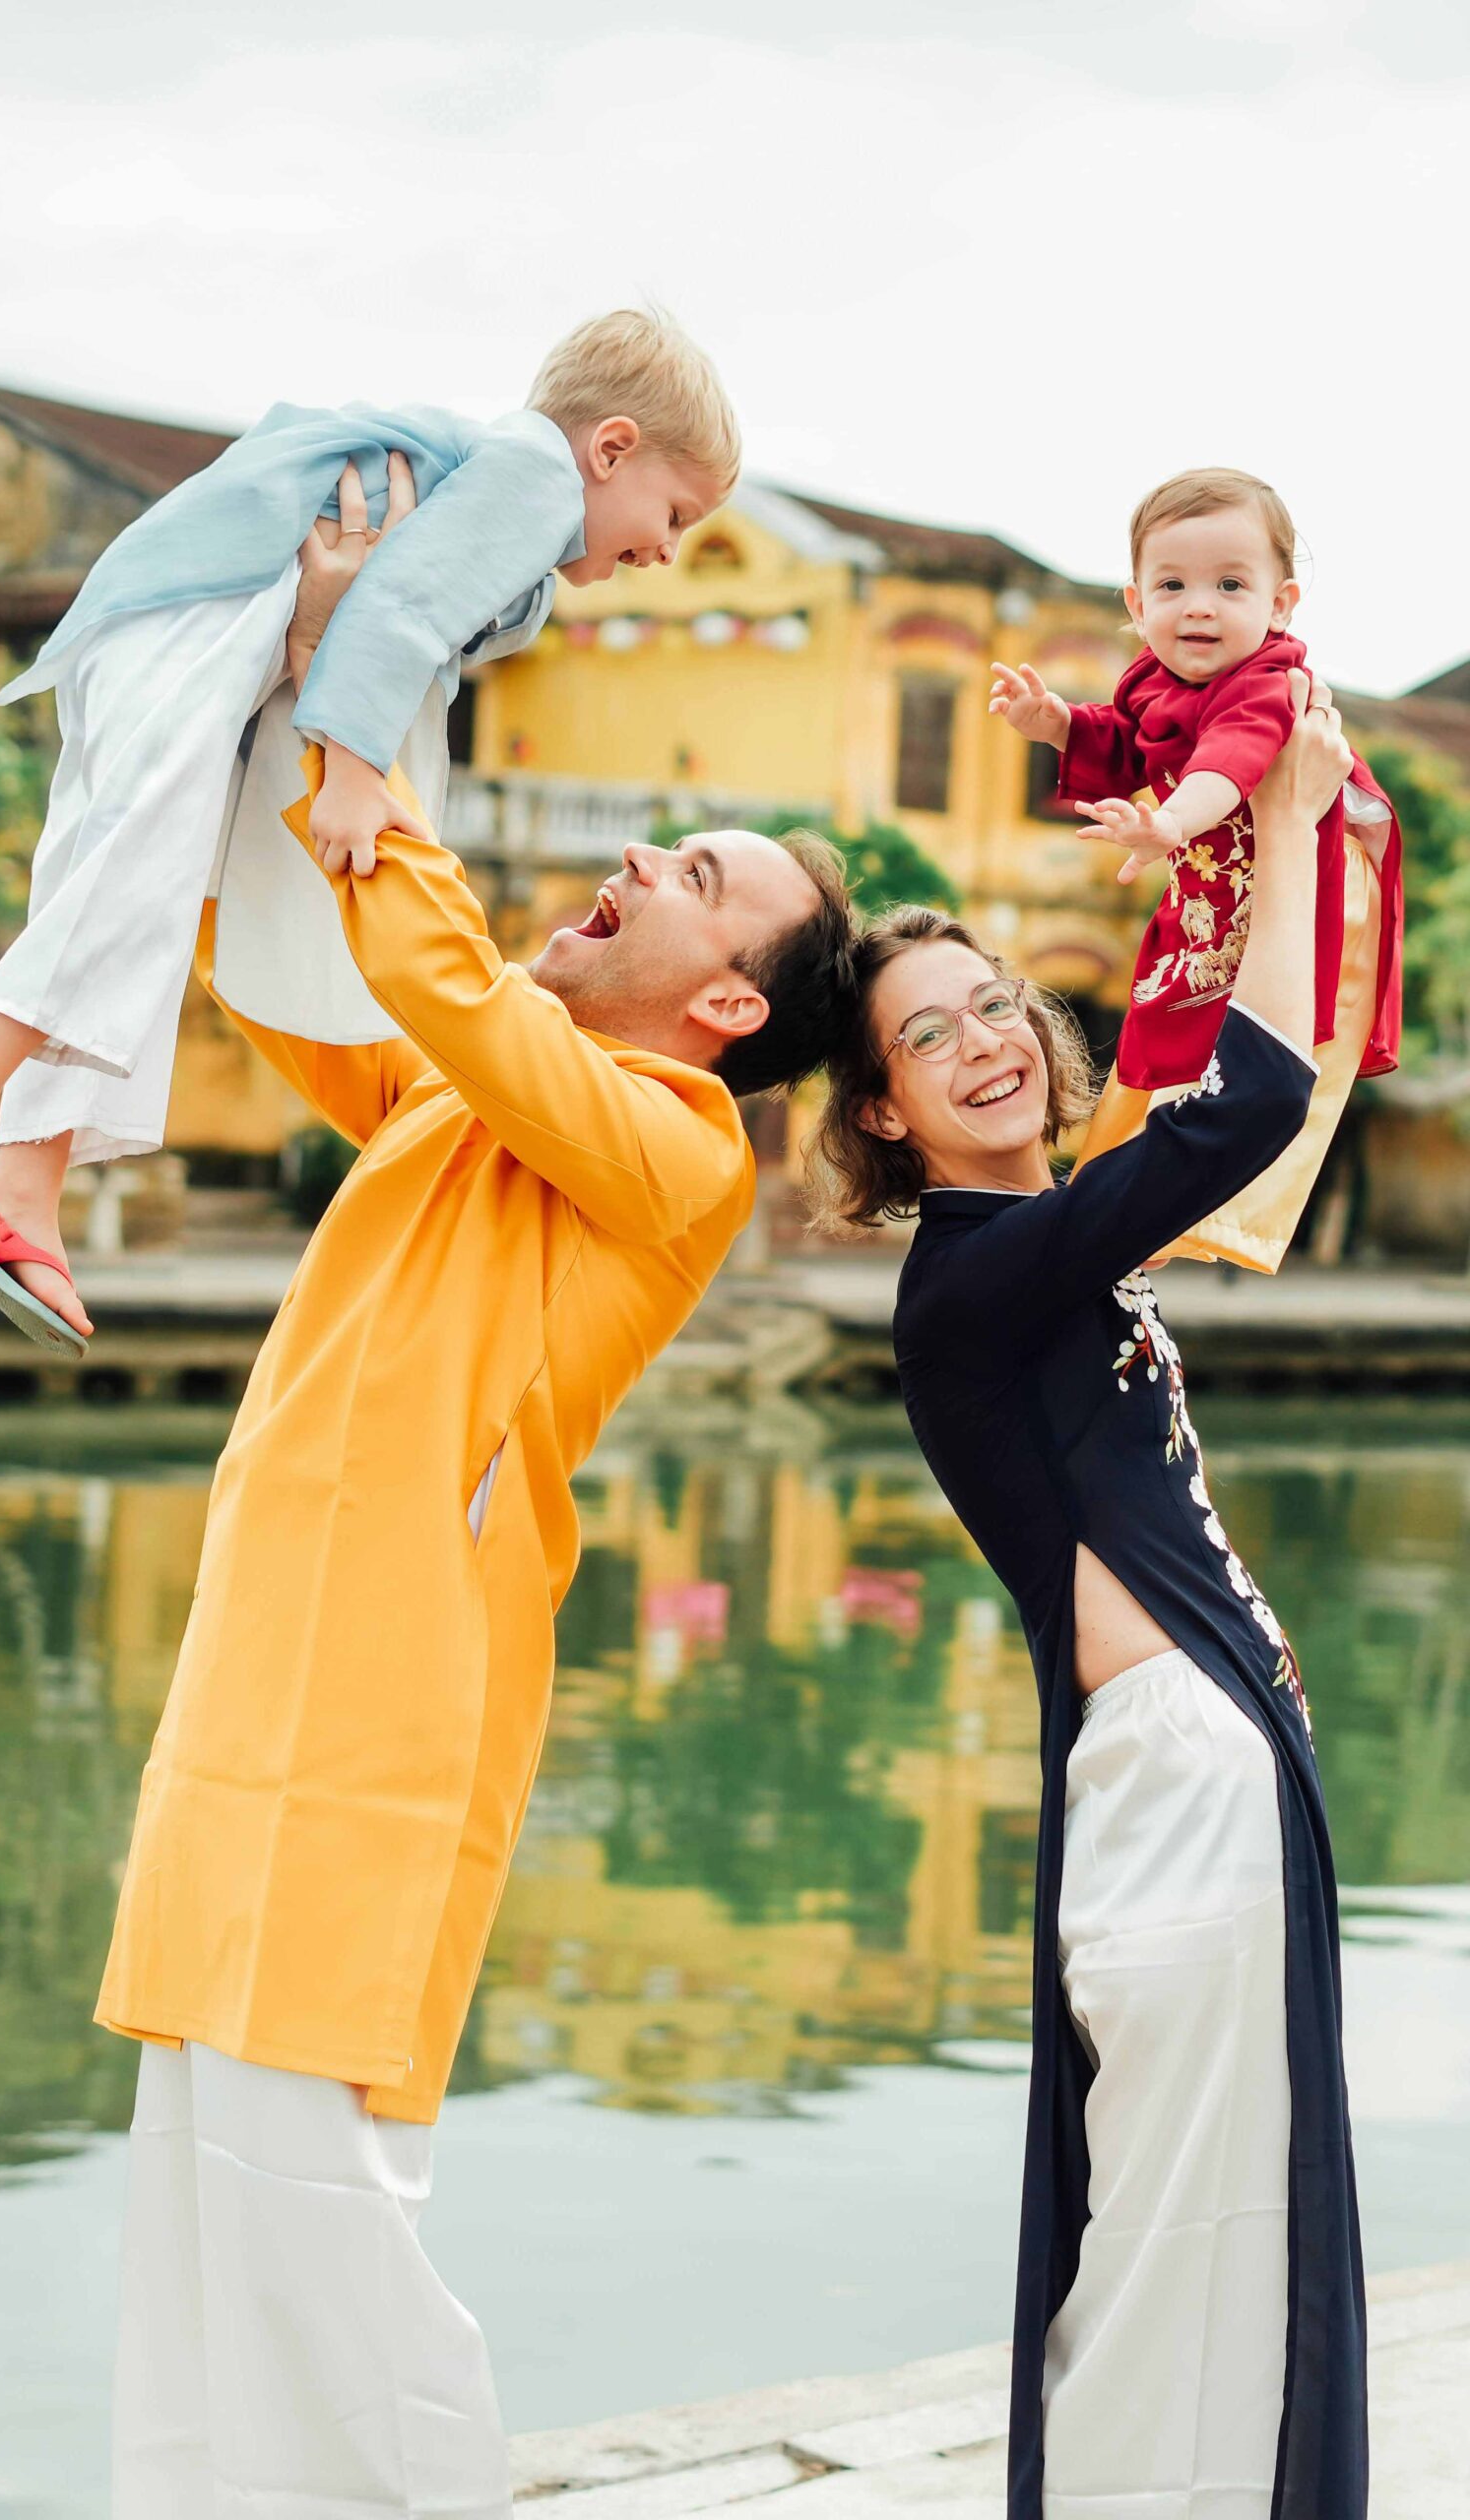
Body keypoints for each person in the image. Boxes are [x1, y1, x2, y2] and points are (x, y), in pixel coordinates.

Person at [98, 514, 857, 2518]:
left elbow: (434, 966)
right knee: (193, 2205)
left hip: (383, 1713)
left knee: (321, 2207)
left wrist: (371, 734)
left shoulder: (673, 1145)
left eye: (690, 881)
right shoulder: (468, 1093)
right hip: (250, 1689)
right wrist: (287, 692)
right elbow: (291, 966)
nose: (635, 866)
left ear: (719, 1012)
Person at [811, 673, 1366, 2518]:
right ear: (882, 1116)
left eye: (993, 1006)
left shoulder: (1039, 1259)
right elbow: (1244, 1113)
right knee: (1170, 2230)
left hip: (1195, 1777)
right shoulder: (977, 1279)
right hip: (1170, 1792)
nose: (979, 1044)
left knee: (1200, 2221)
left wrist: (1231, 828)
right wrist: (1278, 829)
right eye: (923, 1041)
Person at [0, 308, 738, 1350]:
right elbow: (397, 610)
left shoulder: (521, 541)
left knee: (140, 882)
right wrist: (354, 774)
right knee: (137, 870)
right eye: (673, 513)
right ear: (610, 447)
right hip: (206, 609)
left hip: (214, 619)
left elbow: (415, 612)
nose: (669, 551)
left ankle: (22, 1187)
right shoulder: (534, 478)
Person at [989, 468, 1402, 1271]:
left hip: (1308, 873)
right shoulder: (1155, 678)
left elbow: (1229, 760)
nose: (1200, 605)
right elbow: (1125, 740)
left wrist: (1168, 822)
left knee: (1262, 1044)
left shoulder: (1266, 683)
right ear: (1137, 606)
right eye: (1173, 584)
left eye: (1230, 584)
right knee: (1166, 1017)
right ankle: (1137, 1210)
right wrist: (1057, 725)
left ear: (1280, 604)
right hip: (1217, 873)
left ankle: (1208, 1215)